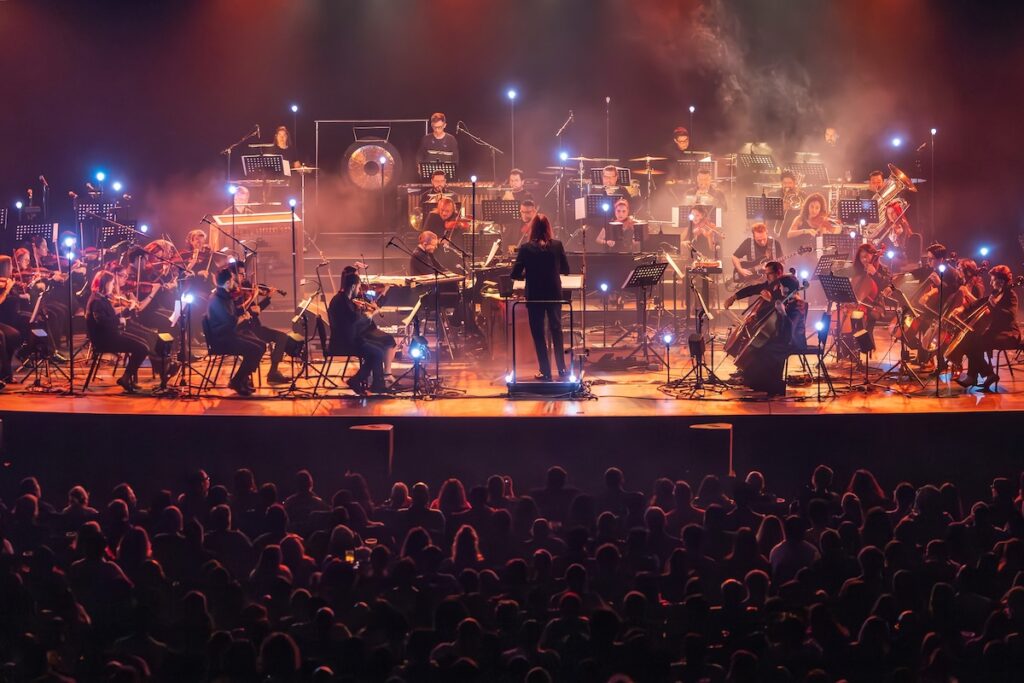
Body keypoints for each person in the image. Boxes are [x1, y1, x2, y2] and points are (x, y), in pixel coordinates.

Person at [723, 261, 807, 396]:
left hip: (791, 339)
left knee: (762, 348)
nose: (766, 277)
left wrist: (776, 306)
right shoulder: (776, 289)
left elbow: (789, 328)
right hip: (779, 334)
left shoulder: (796, 303)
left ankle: (769, 383)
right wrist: (735, 298)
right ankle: (753, 379)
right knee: (758, 346)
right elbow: (753, 290)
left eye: (769, 274)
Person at [511, 214, 570, 380]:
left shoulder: (525, 248)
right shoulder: (557, 245)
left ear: (533, 229)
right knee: (556, 330)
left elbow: (515, 274)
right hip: (554, 293)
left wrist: (528, 273)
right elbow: (566, 269)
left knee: (538, 333)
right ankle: (562, 369)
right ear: (549, 228)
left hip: (535, 294)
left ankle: (545, 371)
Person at [950, 265, 1019, 391]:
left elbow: (1010, 316)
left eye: (993, 280)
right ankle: (982, 375)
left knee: (973, 342)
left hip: (1008, 333)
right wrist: (963, 308)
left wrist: (995, 306)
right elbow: (979, 302)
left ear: (1001, 281)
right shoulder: (995, 293)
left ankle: (979, 375)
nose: (991, 283)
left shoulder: (1010, 295)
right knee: (970, 339)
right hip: (994, 331)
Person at [328, 270, 396, 394]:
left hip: (347, 337)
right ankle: (368, 383)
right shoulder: (342, 302)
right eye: (359, 287)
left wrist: (361, 313)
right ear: (353, 286)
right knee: (377, 352)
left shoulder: (342, 299)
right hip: (345, 342)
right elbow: (353, 322)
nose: (359, 290)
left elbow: (352, 320)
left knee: (378, 350)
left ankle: (375, 384)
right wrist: (367, 316)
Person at [85, 270, 153, 394]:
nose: (113, 286)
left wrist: (122, 316)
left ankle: (127, 378)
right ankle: (125, 379)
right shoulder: (97, 301)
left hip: (111, 335)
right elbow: (102, 321)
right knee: (142, 348)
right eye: (111, 283)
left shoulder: (101, 298)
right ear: (105, 284)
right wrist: (119, 321)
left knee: (143, 343)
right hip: (105, 340)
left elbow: (108, 317)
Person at [205, 268, 265, 396]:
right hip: (222, 340)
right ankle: (237, 381)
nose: (235, 282)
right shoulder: (217, 300)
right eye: (232, 280)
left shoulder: (224, 296)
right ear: (227, 283)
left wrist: (248, 307)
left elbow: (235, 312)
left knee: (261, 345)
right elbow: (230, 321)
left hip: (229, 335)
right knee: (255, 350)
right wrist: (243, 317)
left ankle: (242, 378)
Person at [230, 262, 291, 385]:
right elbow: (240, 312)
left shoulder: (244, 289)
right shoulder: (232, 293)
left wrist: (267, 297)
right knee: (259, 346)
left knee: (282, 337)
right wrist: (254, 297)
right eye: (240, 274)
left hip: (255, 328)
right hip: (244, 331)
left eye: (244, 274)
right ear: (232, 275)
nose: (243, 277)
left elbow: (256, 311)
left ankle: (273, 372)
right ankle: (244, 376)